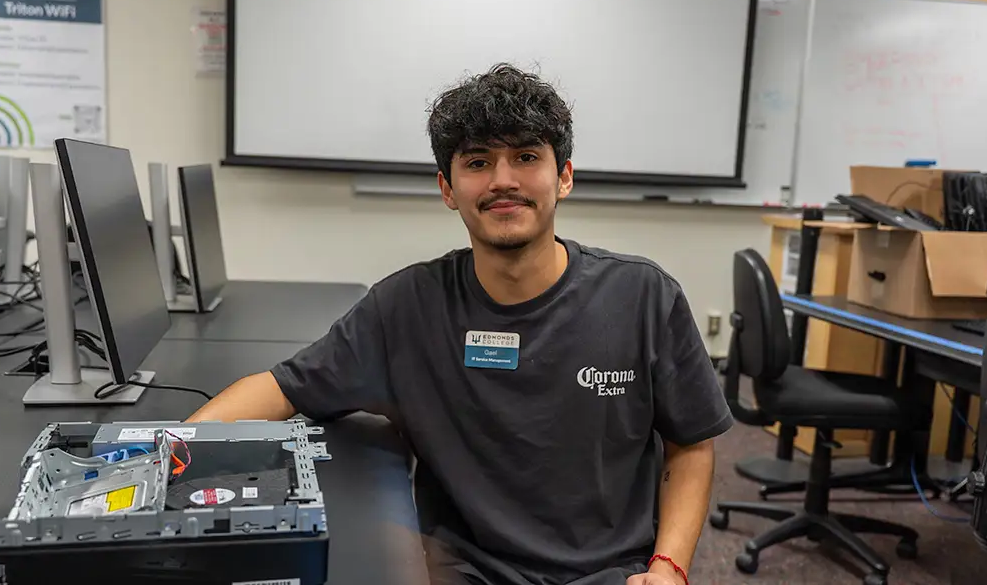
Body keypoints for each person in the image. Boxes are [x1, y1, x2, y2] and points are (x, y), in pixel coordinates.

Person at [186, 64, 730, 585]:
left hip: (610, 572)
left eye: (526, 157)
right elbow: (282, 388)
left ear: (563, 177)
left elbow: (690, 445)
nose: (503, 180)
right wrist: (164, 453)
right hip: (465, 572)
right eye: (477, 162)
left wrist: (668, 567)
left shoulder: (643, 297)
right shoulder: (406, 307)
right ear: (447, 188)